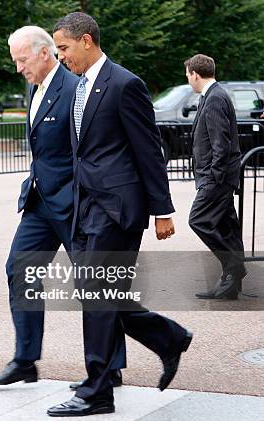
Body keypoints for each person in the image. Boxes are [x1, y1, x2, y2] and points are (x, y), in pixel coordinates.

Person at [45, 13, 192, 417]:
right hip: (85, 208)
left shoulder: (125, 84)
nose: (61, 57)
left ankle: (97, 391)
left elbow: (149, 150)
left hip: (117, 208)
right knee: (100, 295)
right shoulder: (79, 88)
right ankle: (167, 339)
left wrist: (162, 210)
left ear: (87, 41)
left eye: (64, 48)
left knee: (98, 297)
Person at [0, 25, 84, 386]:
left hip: (73, 204)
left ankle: (109, 368)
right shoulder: (32, 87)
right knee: (19, 269)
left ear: (45, 53)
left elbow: (86, 150)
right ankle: (25, 360)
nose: (18, 68)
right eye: (14, 61)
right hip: (40, 202)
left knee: (94, 284)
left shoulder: (75, 89)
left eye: (22, 60)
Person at [185, 54, 246, 299]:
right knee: (227, 225)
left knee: (198, 220)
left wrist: (213, 178)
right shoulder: (214, 95)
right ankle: (230, 284)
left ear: (195, 74)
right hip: (220, 176)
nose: (188, 79)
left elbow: (221, 144)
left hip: (217, 178)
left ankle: (235, 267)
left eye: (188, 75)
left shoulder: (215, 98)